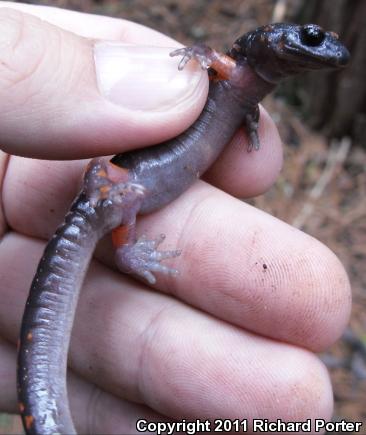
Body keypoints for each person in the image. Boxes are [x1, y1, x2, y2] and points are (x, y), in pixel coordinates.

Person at [0, 3, 351, 434]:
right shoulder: (233, 68)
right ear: (270, 39)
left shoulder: (247, 91)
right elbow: (203, 53)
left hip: (135, 189)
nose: (319, 49)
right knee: (116, 200)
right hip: (116, 188)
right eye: (312, 37)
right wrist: (198, 58)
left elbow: (242, 103)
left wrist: (249, 117)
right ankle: (125, 250)